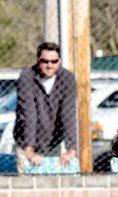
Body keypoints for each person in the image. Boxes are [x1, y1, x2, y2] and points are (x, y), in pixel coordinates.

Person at [13, 42, 77, 174]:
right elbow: (28, 113)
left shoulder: (67, 79)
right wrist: (29, 149)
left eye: (54, 61)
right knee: (26, 184)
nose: (49, 65)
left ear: (59, 61)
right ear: (38, 61)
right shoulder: (26, 77)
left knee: (51, 183)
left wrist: (71, 149)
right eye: (45, 61)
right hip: (25, 141)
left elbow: (68, 113)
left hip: (53, 142)